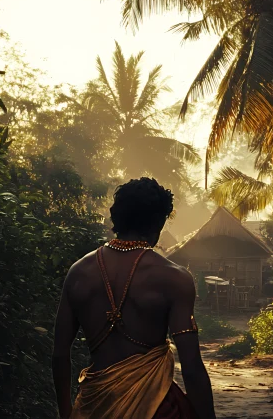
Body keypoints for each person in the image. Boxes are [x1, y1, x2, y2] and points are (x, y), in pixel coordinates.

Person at [52, 178, 216, 419]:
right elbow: (191, 368)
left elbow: (59, 354)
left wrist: (66, 413)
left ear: (116, 218)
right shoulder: (174, 278)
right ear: (158, 224)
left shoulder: (79, 272)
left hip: (93, 407)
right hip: (158, 408)